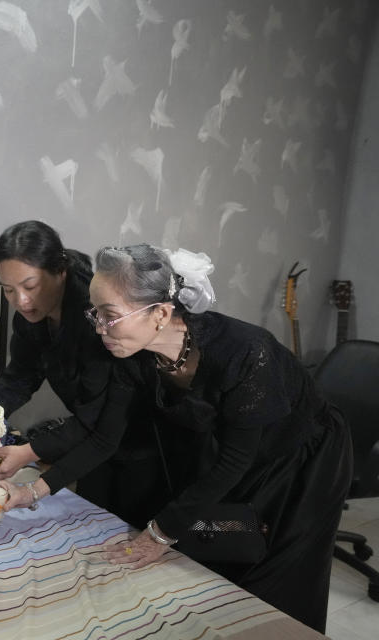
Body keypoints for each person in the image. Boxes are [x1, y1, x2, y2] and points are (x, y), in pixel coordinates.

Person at [79, 243, 352, 632]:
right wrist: (35, 488)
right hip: (239, 459)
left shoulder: (247, 352)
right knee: (223, 545)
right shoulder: (135, 351)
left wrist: (158, 534)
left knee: (278, 582)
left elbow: (234, 462)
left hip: (302, 464)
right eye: (95, 314)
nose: (98, 329)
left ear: (159, 313)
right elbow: (103, 436)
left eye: (108, 316)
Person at [0, 221, 164, 528]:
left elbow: (98, 418)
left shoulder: (98, 319)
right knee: (91, 527)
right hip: (92, 444)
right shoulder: (30, 318)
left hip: (142, 441)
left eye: (30, 286)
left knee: (134, 534)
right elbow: (19, 379)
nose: (20, 301)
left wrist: (27, 453)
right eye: (9, 290)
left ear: (60, 271)